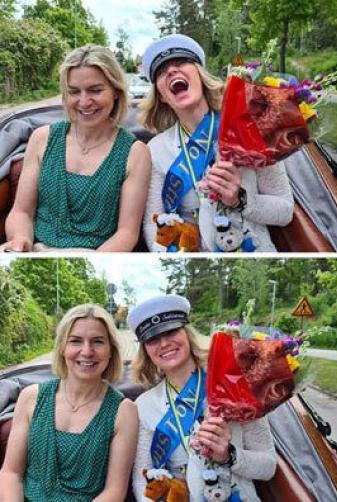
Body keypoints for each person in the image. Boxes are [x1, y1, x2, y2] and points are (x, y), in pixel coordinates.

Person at [138, 34, 293, 252]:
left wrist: (239, 200)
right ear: (162, 96)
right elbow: (151, 222)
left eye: (181, 63)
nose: (172, 71)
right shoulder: (156, 149)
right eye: (162, 72)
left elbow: (286, 211)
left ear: (200, 76)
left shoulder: (249, 129)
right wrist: (170, 255)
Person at [0, 45, 151, 252]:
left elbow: (127, 233)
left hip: (98, 258)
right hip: (37, 252)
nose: (84, 102)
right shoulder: (42, 138)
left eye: (95, 90)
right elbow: (21, 212)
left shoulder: (135, 153)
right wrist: (20, 239)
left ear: (116, 92)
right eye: (74, 92)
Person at [127, 294, 276, 501]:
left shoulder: (235, 384)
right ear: (145, 349)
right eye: (152, 338)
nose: (164, 343)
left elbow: (268, 466)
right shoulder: (144, 406)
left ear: (187, 333)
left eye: (171, 331)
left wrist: (228, 455)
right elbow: (142, 479)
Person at [0, 304, 138, 501]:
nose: (87, 351)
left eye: (98, 342)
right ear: (62, 348)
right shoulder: (31, 397)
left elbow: (114, 492)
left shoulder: (124, 411)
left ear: (111, 351)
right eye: (75, 341)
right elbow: (10, 473)